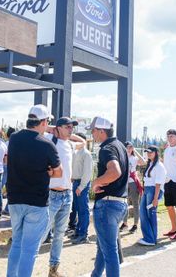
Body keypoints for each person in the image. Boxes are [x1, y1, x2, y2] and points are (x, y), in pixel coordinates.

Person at [6, 104, 62, 277]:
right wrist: (49, 171)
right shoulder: (47, 144)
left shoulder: (14, 138)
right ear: (43, 122)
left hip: (15, 199)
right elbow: (59, 172)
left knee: (16, 243)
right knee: (29, 250)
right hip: (37, 201)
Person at [44, 117, 85, 277]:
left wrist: (65, 132)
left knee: (59, 234)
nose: (71, 129)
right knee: (41, 232)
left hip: (67, 195)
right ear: (59, 128)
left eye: (72, 127)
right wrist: (53, 129)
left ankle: (53, 269)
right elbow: (42, 129)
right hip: (51, 194)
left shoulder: (69, 144)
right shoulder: (50, 141)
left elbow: (83, 141)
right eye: (67, 127)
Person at [88, 116, 128, 277]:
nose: (92, 134)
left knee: (109, 251)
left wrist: (95, 182)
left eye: (93, 131)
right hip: (120, 204)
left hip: (108, 205)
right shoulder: (120, 146)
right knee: (104, 246)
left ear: (101, 131)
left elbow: (115, 171)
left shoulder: (106, 148)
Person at [138, 146, 166, 246]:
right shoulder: (150, 164)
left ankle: (151, 239)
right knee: (143, 213)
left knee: (150, 214)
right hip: (148, 189)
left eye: (150, 152)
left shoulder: (159, 166)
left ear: (156, 153)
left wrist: (155, 198)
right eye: (147, 152)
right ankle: (149, 237)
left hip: (153, 190)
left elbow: (158, 184)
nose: (148, 154)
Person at [69, 132, 93, 244]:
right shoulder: (76, 152)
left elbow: (87, 173)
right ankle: (78, 232)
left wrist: (81, 186)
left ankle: (83, 234)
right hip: (76, 183)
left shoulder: (86, 154)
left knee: (83, 210)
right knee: (78, 209)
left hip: (81, 184)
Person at [121, 142, 145, 233]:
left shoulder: (134, 158)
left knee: (135, 203)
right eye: (127, 147)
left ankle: (135, 224)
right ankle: (125, 223)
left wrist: (135, 151)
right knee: (124, 203)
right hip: (124, 183)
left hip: (133, 182)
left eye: (131, 147)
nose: (129, 149)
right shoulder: (122, 158)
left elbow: (143, 162)